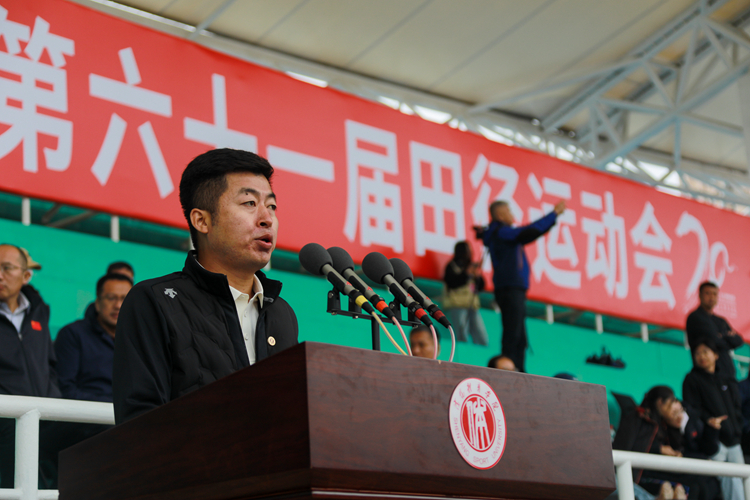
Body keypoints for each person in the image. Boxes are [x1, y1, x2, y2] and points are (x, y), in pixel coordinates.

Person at [112, 148, 299, 424]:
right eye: (249, 203)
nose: (267, 218)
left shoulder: (281, 313)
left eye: (271, 206)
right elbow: (138, 423)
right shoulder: (154, 301)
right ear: (202, 221)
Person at [0, 244, 61, 488]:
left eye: (7, 268)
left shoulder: (39, 311)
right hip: (6, 418)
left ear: (26, 276)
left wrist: (54, 397)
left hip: (45, 413)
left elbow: (49, 362)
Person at [482, 199, 565, 372]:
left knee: (519, 336)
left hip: (511, 288)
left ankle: (518, 371)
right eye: (508, 210)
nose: (512, 214)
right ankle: (509, 370)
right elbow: (529, 231)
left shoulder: (499, 233)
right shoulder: (502, 232)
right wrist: (553, 215)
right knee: (513, 335)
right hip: (510, 288)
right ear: (500, 215)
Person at [683, 337, 745, 500]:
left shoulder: (725, 378)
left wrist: (737, 429)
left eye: (705, 352)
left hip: (734, 442)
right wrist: (709, 422)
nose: (701, 356)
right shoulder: (691, 380)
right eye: (697, 353)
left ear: (716, 355)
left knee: (742, 480)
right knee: (727, 480)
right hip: (713, 441)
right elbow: (692, 409)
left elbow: (736, 407)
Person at [55, 273, 133, 402]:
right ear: (97, 303)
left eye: (124, 299)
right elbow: (65, 389)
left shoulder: (141, 339)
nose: (118, 305)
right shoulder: (73, 334)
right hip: (86, 412)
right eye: (111, 298)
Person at [613, 386, 694, 498]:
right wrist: (659, 448)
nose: (673, 408)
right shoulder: (638, 417)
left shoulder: (662, 423)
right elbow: (624, 447)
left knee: (690, 484)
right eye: (671, 402)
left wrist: (676, 425)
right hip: (637, 474)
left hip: (654, 471)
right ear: (660, 402)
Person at [686, 281, 743, 380]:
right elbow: (715, 342)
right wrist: (727, 337)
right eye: (707, 293)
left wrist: (722, 336)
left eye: (714, 294)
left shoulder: (721, 320)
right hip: (708, 375)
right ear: (700, 295)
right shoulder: (695, 317)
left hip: (728, 373)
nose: (711, 297)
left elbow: (738, 341)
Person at [442, 241, 488, 346]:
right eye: (467, 251)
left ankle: (481, 352)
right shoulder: (452, 266)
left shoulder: (471, 267)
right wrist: (466, 274)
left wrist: (477, 276)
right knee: (462, 333)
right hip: (457, 305)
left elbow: (481, 287)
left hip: (472, 305)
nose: (470, 254)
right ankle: (464, 352)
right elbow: (452, 283)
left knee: (481, 335)